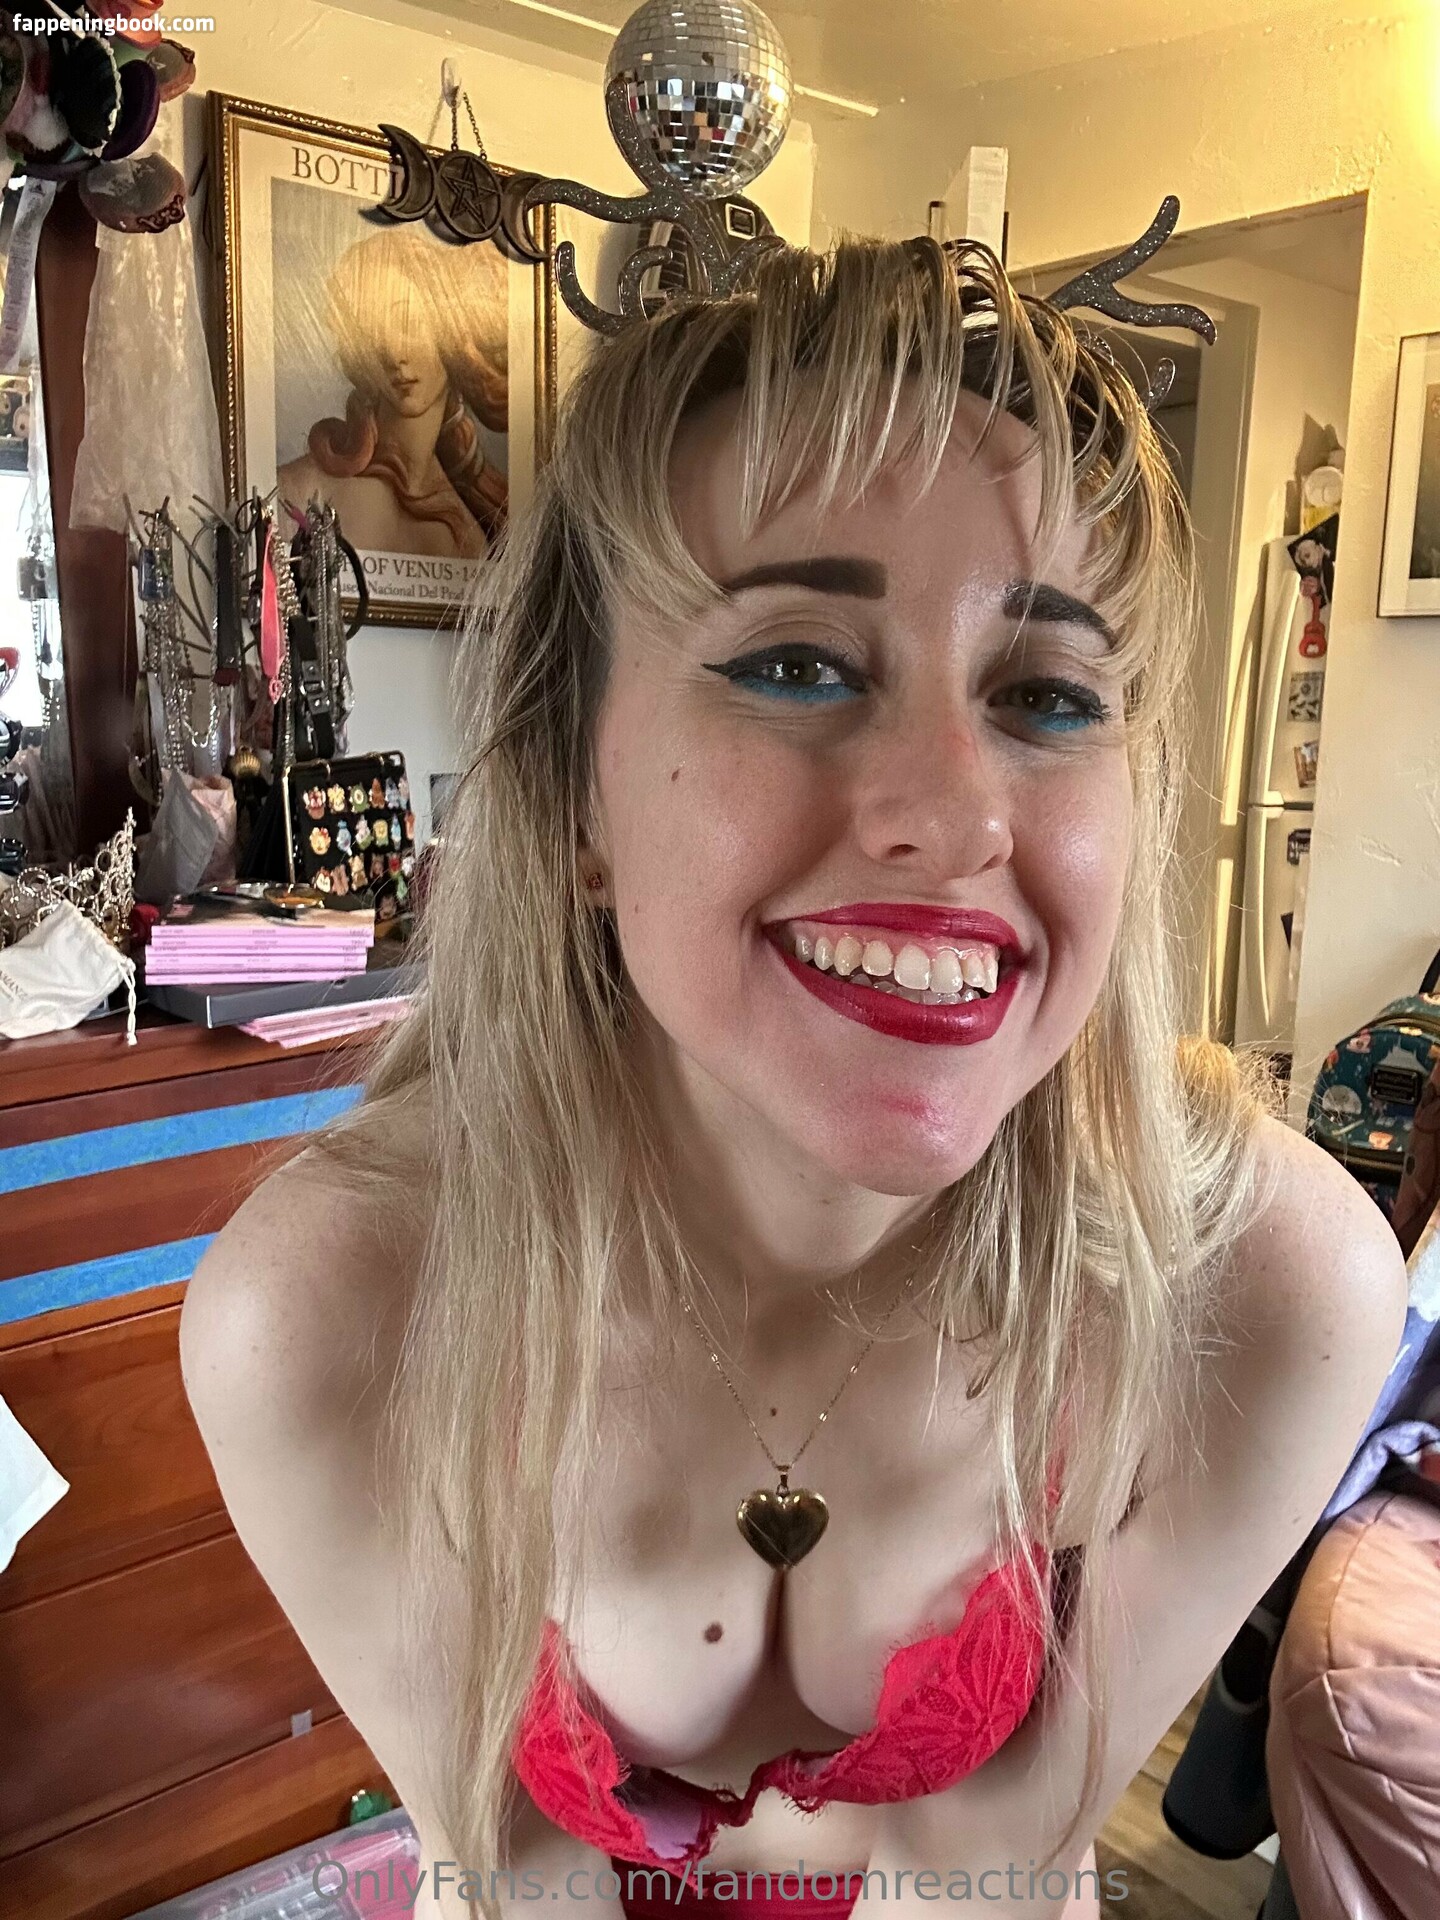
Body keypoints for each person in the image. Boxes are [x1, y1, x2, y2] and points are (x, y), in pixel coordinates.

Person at [179, 235, 1407, 1920]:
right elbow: (513, 1876)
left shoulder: (1259, 1283)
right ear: (578, 798)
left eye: (1049, 695)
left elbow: (993, 1873)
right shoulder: (329, 1311)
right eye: (794, 665)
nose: (957, 817)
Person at [278, 223, 509, 564]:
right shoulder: (299, 490)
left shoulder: (476, 526)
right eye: (373, 333)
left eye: (408, 323)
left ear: (450, 334)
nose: (394, 354)